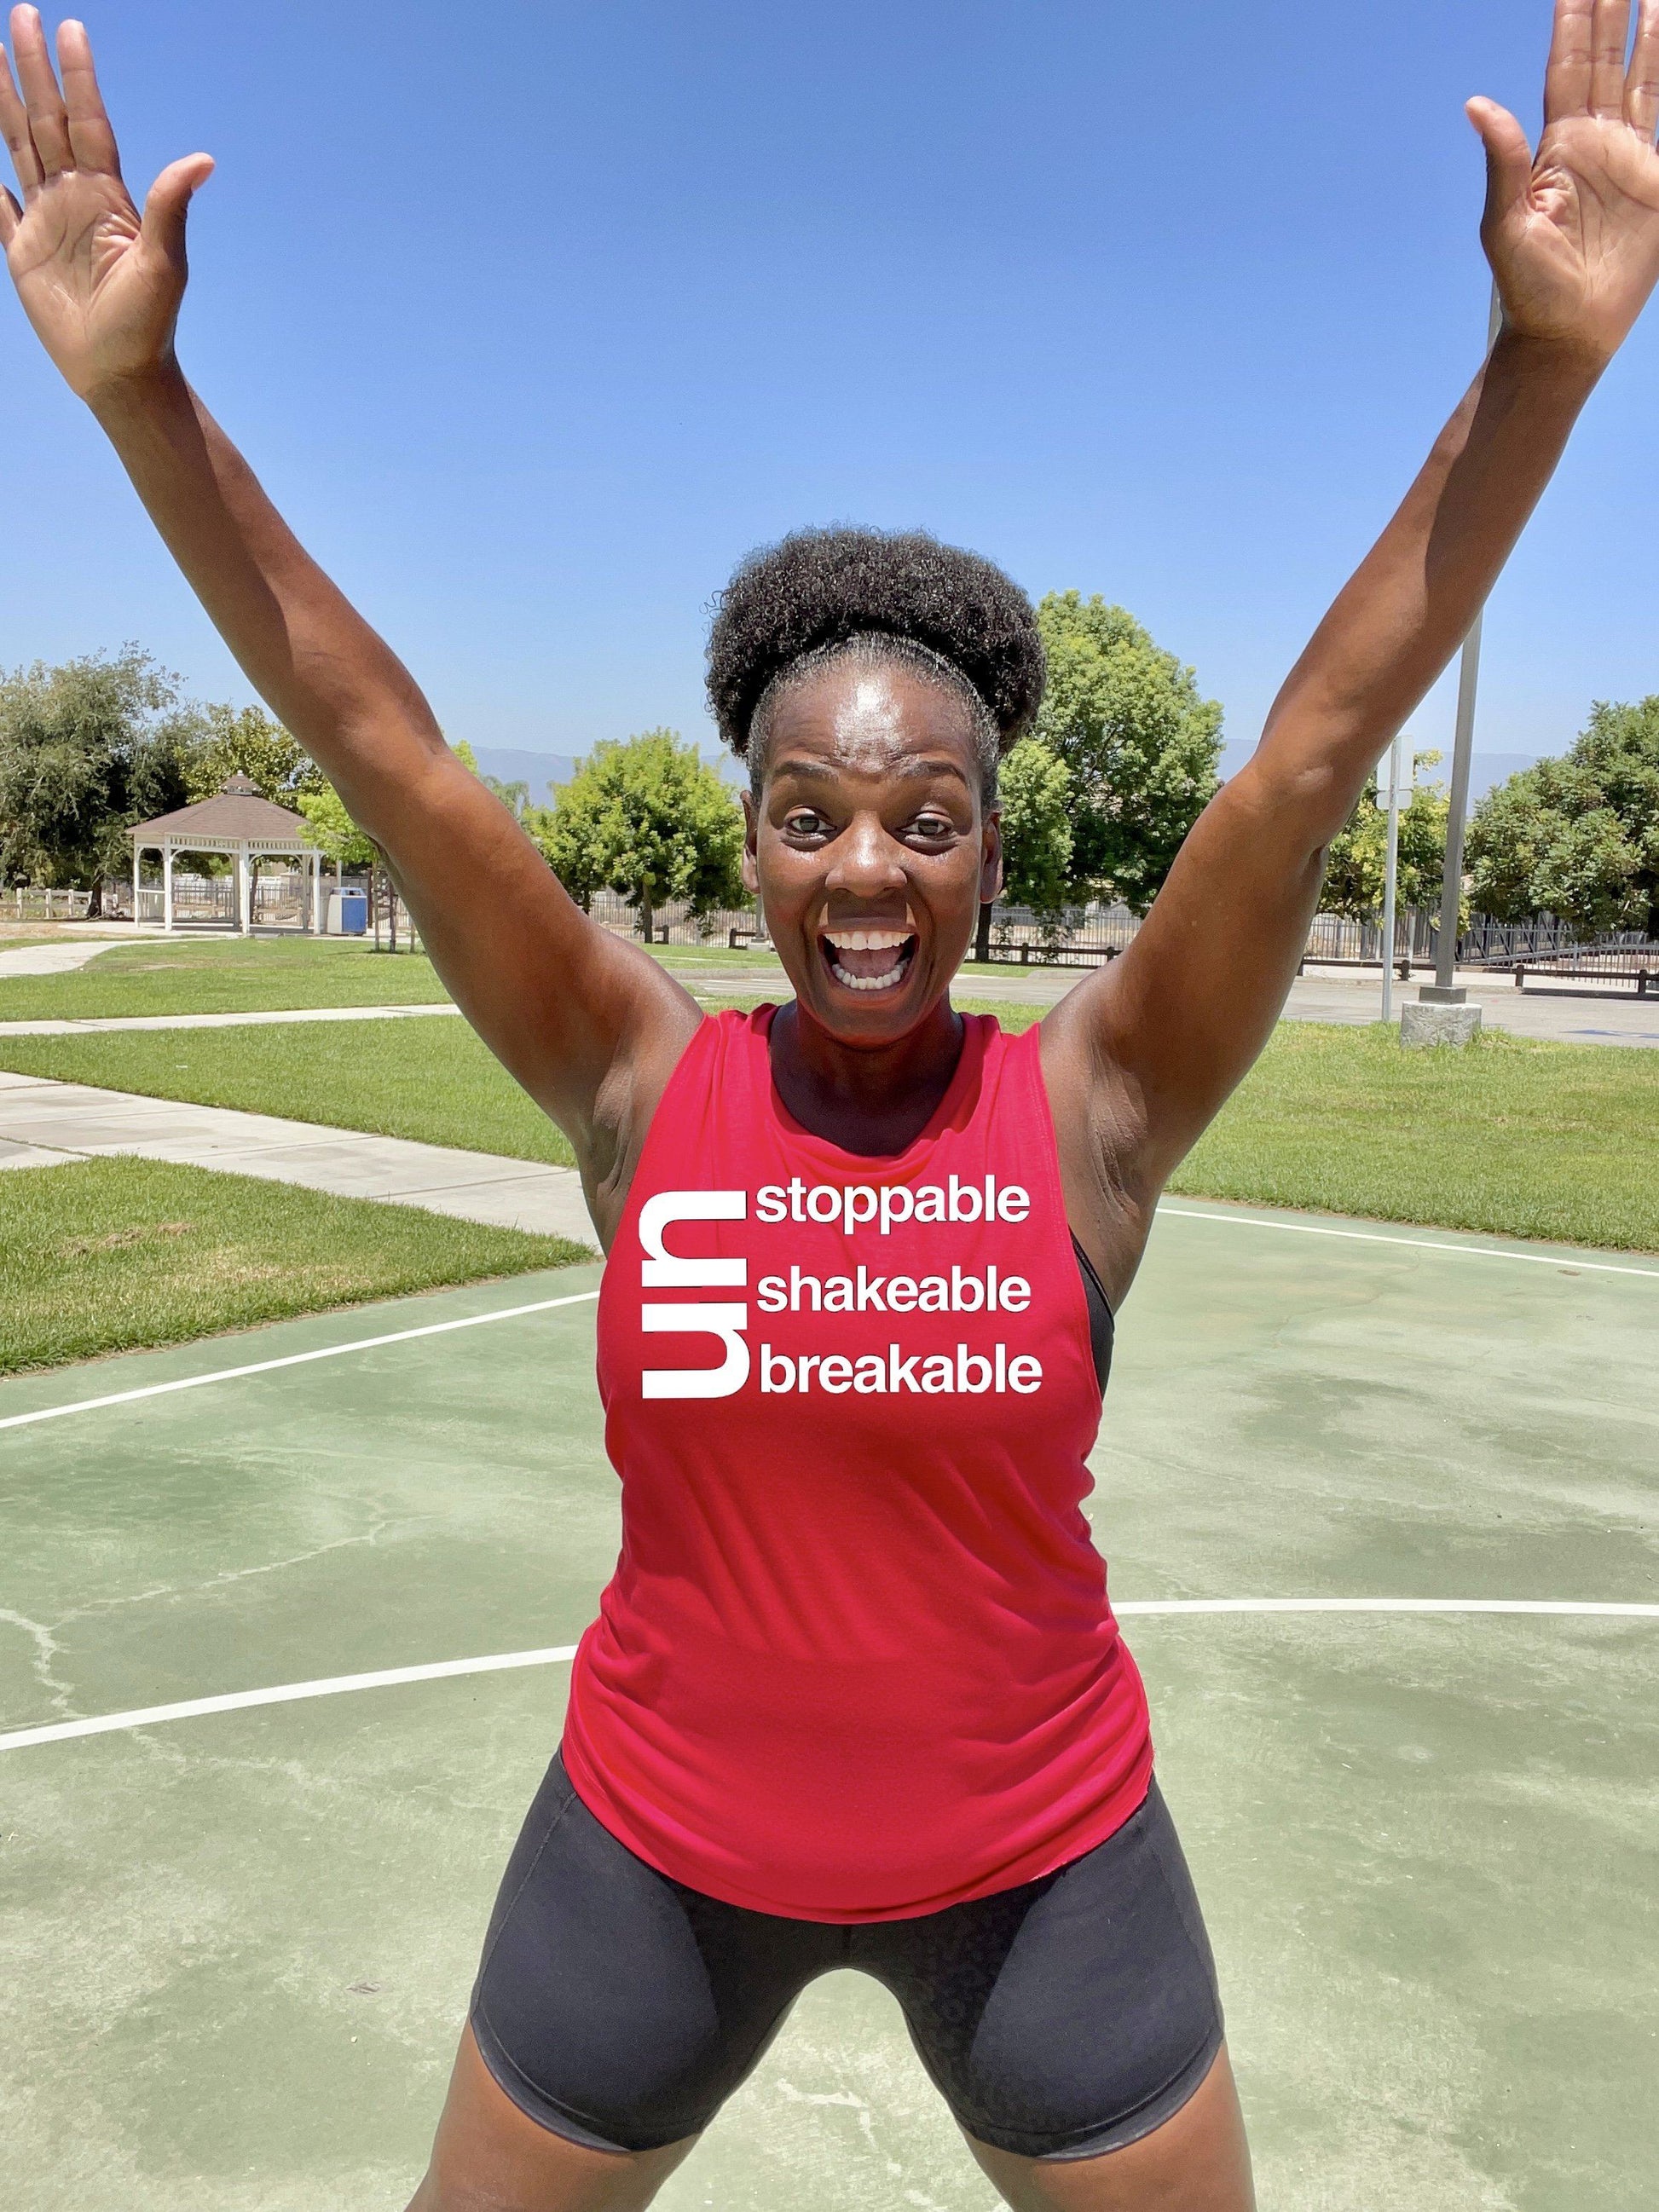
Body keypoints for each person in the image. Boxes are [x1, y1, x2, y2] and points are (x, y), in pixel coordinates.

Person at [5, 3, 1658, 2203]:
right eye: (807, 814)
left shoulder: (1095, 1097)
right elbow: (387, 748)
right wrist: (143, 401)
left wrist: (1540, 365)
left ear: (987, 840)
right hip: (653, 1864)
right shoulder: (630, 1069)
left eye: (924, 815)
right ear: (753, 833)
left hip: (1044, 1871)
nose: (864, 867)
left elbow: (1297, 765)